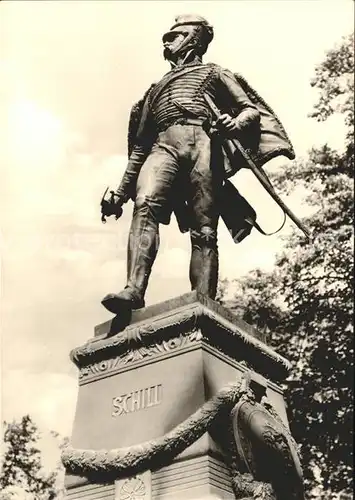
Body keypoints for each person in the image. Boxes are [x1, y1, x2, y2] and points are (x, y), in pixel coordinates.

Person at [101, 14, 295, 314]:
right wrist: (121, 192)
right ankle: (134, 290)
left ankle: (203, 299)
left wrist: (235, 123)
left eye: (175, 36)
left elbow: (250, 111)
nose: (167, 41)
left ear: (193, 38)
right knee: (145, 203)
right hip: (162, 146)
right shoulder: (155, 90)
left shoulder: (215, 74)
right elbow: (140, 147)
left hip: (203, 146)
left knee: (204, 229)